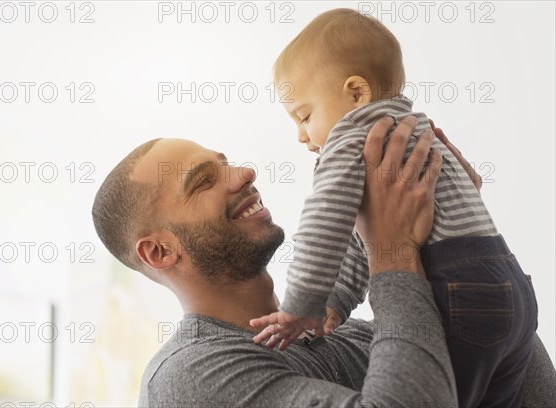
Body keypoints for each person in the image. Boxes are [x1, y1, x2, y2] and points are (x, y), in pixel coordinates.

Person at [91, 118, 556, 407]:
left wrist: (454, 238)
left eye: (227, 162)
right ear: (160, 252)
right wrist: (393, 249)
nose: (245, 173)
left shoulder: (357, 335)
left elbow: (517, 365)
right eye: (203, 181)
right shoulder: (192, 377)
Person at [250, 9, 537, 407]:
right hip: (508, 283)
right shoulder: (413, 129)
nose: (300, 135)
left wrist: (302, 305)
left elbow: (324, 225)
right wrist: (336, 302)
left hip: (455, 291)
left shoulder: (351, 135)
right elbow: (365, 241)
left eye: (304, 115)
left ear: (355, 93)